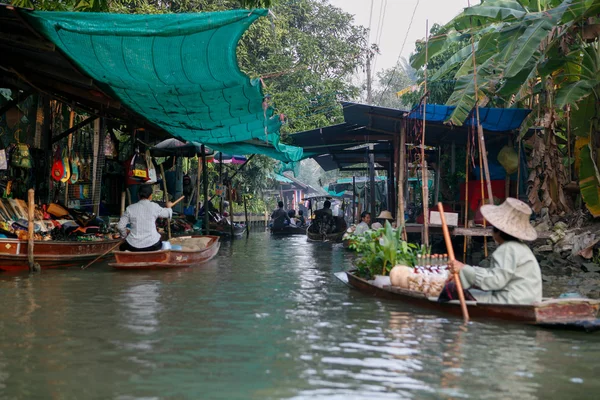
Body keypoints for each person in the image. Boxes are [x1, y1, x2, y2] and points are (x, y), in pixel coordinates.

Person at [445, 198, 542, 305]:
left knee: (450, 290)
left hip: (510, 301)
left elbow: (495, 281)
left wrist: (464, 269)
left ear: (498, 232)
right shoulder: (523, 248)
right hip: (527, 298)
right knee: (474, 288)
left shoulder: (507, 249)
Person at [117, 184, 173, 252]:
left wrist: (124, 237)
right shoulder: (154, 206)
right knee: (161, 244)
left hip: (133, 246)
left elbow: (120, 226)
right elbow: (167, 213)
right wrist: (169, 207)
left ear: (138, 195)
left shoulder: (130, 208)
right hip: (153, 245)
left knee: (122, 247)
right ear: (150, 196)